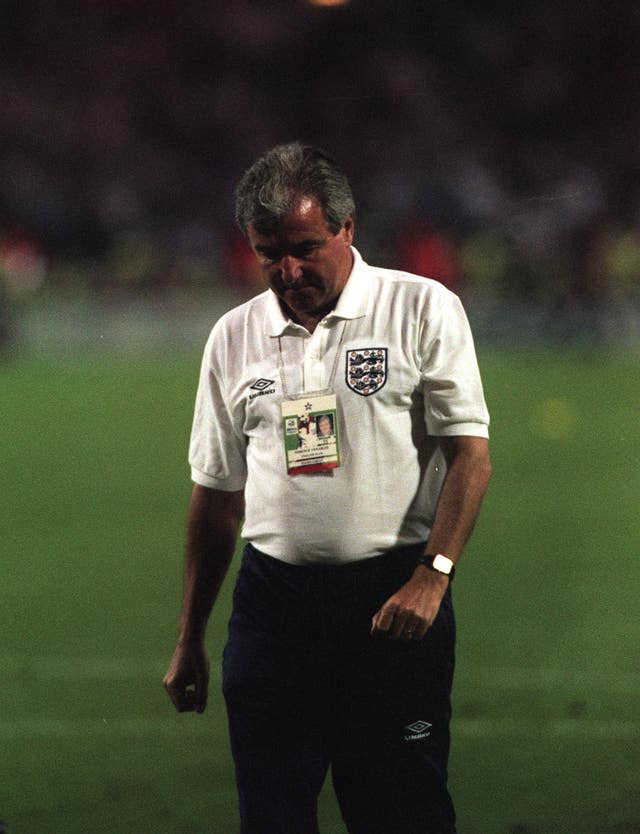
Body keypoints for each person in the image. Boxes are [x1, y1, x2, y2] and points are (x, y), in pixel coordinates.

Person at [163, 142, 492, 834]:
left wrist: (433, 576)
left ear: (347, 228)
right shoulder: (233, 337)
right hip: (272, 608)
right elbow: (217, 496)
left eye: (306, 247)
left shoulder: (421, 308)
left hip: (389, 602)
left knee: (400, 812)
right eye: (267, 253)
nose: (287, 270)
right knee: (272, 816)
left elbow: (471, 457)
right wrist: (191, 635)